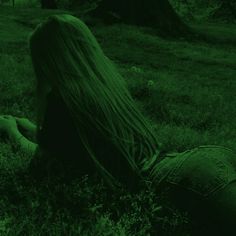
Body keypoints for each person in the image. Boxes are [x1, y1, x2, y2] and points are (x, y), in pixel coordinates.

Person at [0, 14, 236, 234]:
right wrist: (30, 127)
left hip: (178, 183)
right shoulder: (103, 86)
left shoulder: (62, 101)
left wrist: (11, 132)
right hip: (197, 162)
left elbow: (45, 162)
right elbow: (65, 145)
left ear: (47, 61)